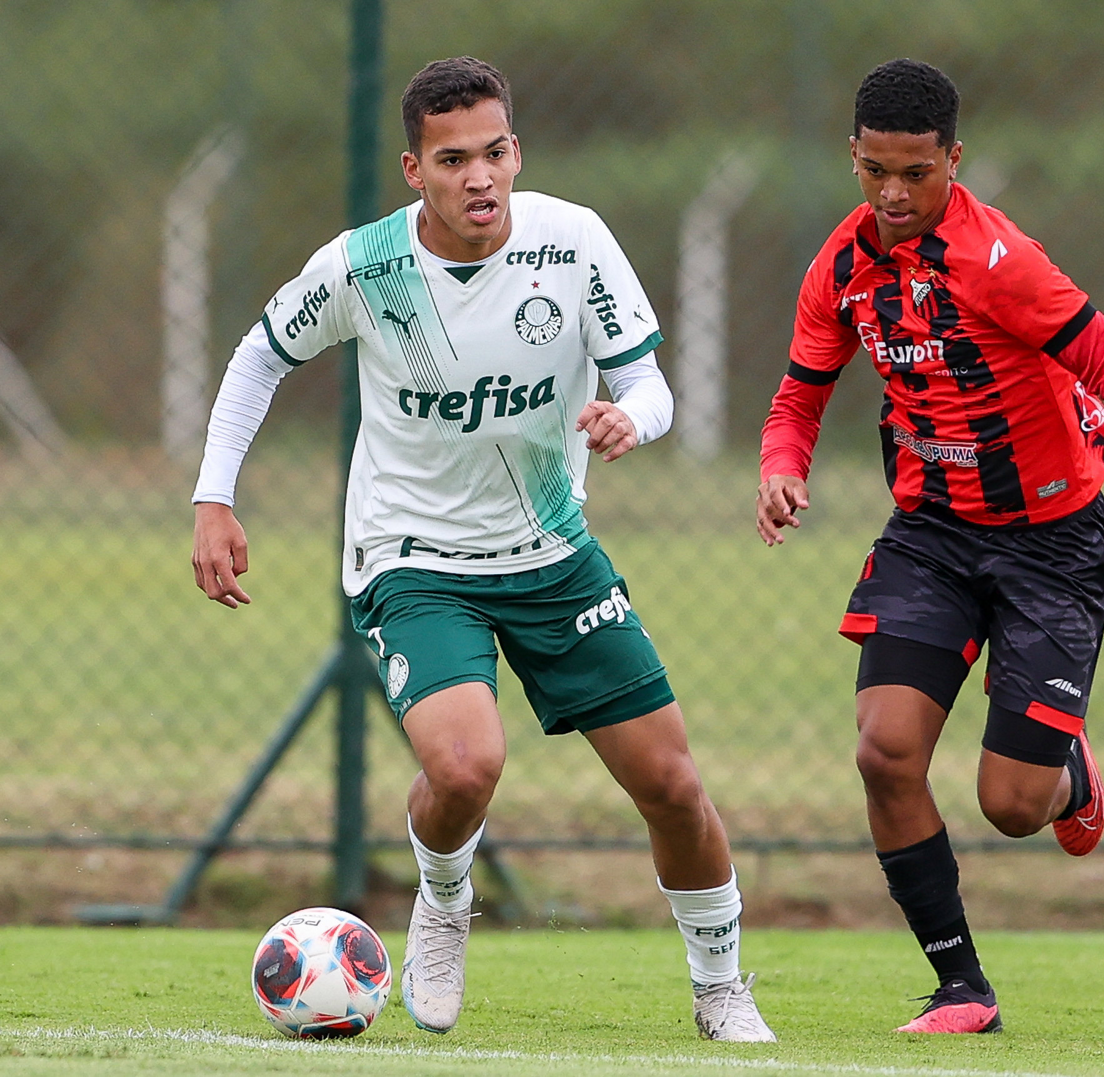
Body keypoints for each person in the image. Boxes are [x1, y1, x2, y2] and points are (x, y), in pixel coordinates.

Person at [191, 56, 774, 1043]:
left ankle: (720, 987)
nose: (479, 177)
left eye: (494, 153)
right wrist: (214, 497)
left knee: (672, 786)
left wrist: (630, 419)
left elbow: (649, 384)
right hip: (414, 558)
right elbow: (260, 355)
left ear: (517, 152)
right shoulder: (365, 267)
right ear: (414, 170)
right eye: (453, 159)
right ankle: (444, 897)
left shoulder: (572, 241)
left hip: (552, 553)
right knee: (464, 769)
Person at [756, 58, 1104, 1035]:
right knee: (884, 751)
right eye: (875, 172)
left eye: (916, 174)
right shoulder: (840, 267)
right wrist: (780, 465)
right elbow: (799, 393)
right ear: (853, 157)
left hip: (1051, 542)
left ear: (954, 160)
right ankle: (961, 988)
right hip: (930, 534)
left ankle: (1066, 772)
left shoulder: (998, 262)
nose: (894, 194)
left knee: (1012, 806)